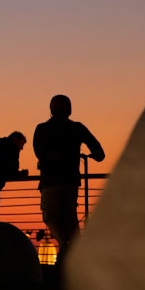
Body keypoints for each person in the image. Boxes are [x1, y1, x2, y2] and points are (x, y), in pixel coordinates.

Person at [33, 94, 105, 262]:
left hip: (50, 182)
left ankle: (66, 246)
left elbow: (39, 153)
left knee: (51, 217)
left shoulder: (42, 129)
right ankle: (73, 251)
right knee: (69, 218)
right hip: (70, 181)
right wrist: (90, 155)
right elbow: (100, 153)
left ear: (51, 109)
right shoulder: (77, 128)